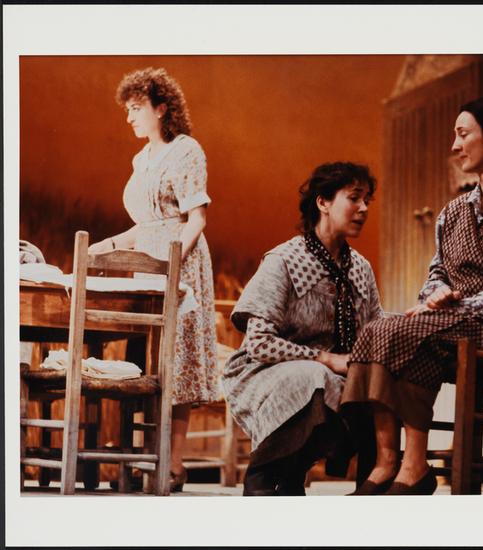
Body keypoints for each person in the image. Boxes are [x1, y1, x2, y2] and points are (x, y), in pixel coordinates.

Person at [341, 97, 483, 495]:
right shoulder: (453, 211)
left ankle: (413, 466)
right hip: (456, 325)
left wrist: (458, 305)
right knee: (377, 330)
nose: (455, 145)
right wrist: (436, 293)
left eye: (463, 134)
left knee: (413, 333)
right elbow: (437, 272)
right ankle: (389, 462)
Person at [88, 67, 220, 492]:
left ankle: (174, 463)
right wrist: (108, 245)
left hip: (180, 262)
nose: (129, 117)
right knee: (147, 359)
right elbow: (146, 225)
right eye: (127, 110)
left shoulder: (186, 151)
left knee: (175, 363)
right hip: (145, 263)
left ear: (161, 109)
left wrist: (173, 264)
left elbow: (196, 218)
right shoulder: (141, 159)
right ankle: (146, 457)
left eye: (136, 108)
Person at [222, 162, 383, 496]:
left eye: (367, 200)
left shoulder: (360, 269)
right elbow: (259, 344)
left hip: (332, 375)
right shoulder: (284, 259)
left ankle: (365, 490)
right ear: (323, 202)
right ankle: (262, 478)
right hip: (264, 371)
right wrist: (325, 358)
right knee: (315, 377)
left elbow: (374, 331)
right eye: (354, 198)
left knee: (375, 386)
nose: (364, 208)